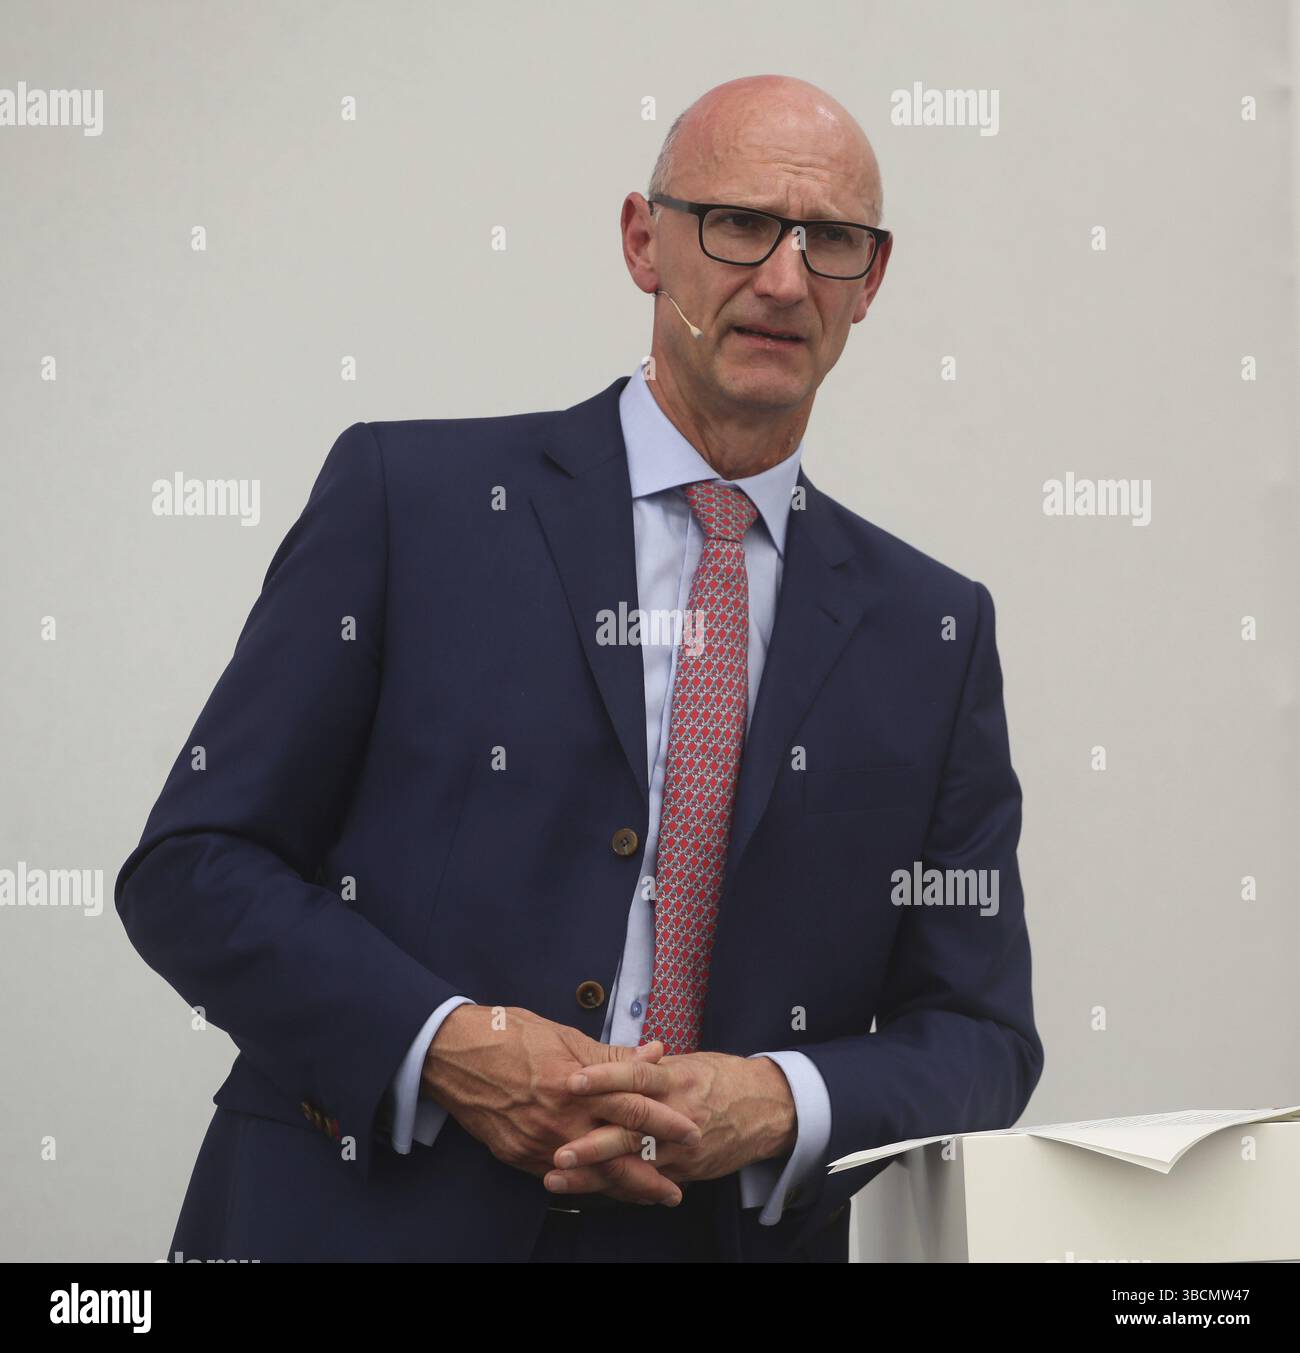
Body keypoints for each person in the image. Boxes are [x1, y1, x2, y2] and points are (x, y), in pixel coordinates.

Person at [116, 74, 1043, 1263]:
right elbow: (194, 866)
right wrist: (450, 1046)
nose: (781, 278)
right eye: (740, 222)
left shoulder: (934, 629)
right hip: (353, 1222)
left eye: (830, 242)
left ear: (872, 280)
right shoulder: (414, 505)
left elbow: (978, 1034)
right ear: (641, 241)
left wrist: (773, 1100)